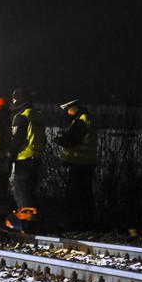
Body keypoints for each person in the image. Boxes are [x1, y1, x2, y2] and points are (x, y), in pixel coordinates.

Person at [54, 99, 98, 231]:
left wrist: (59, 140)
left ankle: (74, 223)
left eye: (68, 110)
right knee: (85, 195)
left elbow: (72, 140)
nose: (67, 113)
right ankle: (86, 223)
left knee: (74, 196)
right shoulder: (86, 119)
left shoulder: (80, 121)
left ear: (74, 108)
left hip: (79, 164)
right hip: (87, 164)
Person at [7, 89, 47, 232]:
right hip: (37, 158)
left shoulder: (21, 117)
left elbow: (16, 140)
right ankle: (36, 223)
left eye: (14, 99)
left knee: (22, 192)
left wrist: (9, 157)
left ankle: (26, 225)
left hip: (24, 159)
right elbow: (44, 139)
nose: (12, 102)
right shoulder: (37, 116)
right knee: (31, 192)